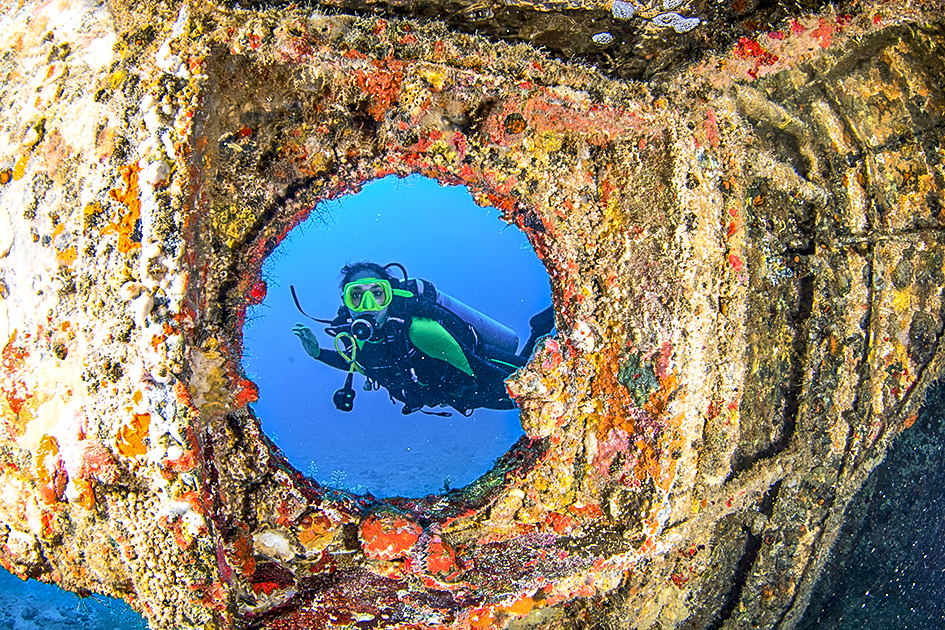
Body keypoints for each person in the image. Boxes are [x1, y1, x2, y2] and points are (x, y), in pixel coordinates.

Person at [291, 261, 554, 416]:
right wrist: (319, 354)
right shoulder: (357, 342)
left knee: (528, 390)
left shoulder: (420, 331)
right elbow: (361, 365)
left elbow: (483, 369)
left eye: (377, 294)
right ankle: (539, 334)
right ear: (345, 303)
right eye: (356, 296)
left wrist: (529, 390)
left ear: (390, 297)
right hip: (455, 395)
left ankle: (540, 329)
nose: (368, 306)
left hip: (475, 384)